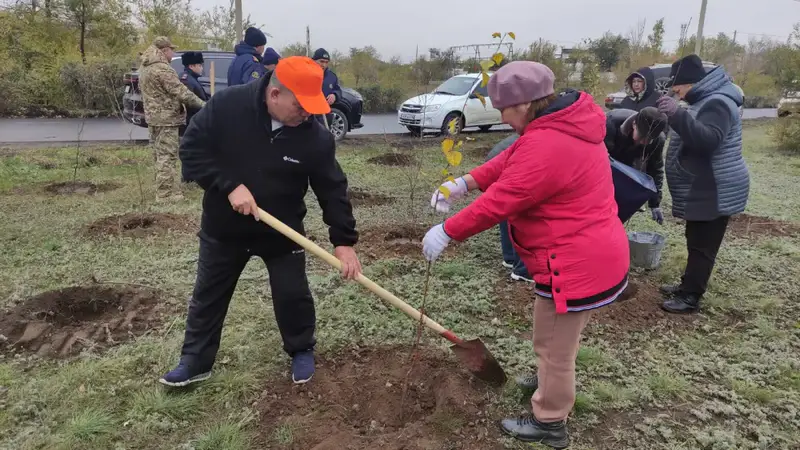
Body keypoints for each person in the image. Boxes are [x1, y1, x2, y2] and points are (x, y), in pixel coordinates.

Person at [422, 61, 630, 449]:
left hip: (574, 263)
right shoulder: (557, 125)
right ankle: (550, 378)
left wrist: (448, 230)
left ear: (525, 103)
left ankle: (550, 420)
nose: (500, 116)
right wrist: (464, 182)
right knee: (552, 338)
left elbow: (505, 198)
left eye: (503, 108)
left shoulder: (550, 143)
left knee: (553, 346)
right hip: (584, 252)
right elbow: (510, 160)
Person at [162, 56, 362, 388]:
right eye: (300, 105)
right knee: (208, 296)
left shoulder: (315, 136)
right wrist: (228, 185)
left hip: (282, 231)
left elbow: (332, 188)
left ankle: (301, 349)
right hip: (224, 229)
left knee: (293, 294)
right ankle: (195, 362)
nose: (308, 113)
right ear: (274, 95)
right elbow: (192, 149)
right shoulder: (228, 106)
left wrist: (343, 241)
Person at [656, 54, 749, 314]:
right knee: (695, 237)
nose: (675, 89)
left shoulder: (718, 102)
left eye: (679, 84)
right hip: (706, 184)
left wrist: (677, 116)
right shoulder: (706, 99)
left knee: (703, 244)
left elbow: (708, 141)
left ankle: (690, 297)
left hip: (715, 187)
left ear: (694, 82)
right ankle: (688, 284)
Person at [138, 36, 206, 202]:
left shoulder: (145, 68)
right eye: (171, 50)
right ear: (164, 50)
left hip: (153, 117)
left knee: (159, 155)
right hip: (166, 118)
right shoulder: (163, 69)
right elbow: (181, 92)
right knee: (167, 156)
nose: (173, 53)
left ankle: (164, 187)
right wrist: (204, 105)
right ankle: (165, 194)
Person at [604, 106, 668, 224]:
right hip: (605, 163)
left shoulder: (658, 140)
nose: (644, 142)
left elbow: (655, 170)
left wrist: (655, 204)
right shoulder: (610, 124)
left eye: (649, 139)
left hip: (628, 168)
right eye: (642, 136)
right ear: (634, 124)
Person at [485, 133, 531, 282]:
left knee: (508, 212)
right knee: (524, 216)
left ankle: (510, 258)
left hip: (497, 162)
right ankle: (523, 271)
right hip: (505, 166)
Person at [178, 51, 209, 137]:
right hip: (191, 121)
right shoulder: (186, 80)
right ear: (191, 66)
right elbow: (188, 102)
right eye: (199, 65)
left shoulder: (192, 78)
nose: (202, 68)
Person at [312, 48, 342, 127]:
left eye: (326, 62)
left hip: (324, 116)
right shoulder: (306, 74)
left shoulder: (332, 76)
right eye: (321, 61)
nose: (324, 65)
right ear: (314, 60)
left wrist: (334, 95)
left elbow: (338, 90)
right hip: (308, 116)